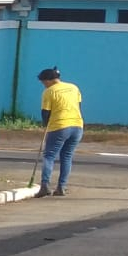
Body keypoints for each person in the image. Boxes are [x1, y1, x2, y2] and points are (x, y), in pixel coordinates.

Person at [36, 66, 84, 198]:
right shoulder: (74, 87)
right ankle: (61, 187)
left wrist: (46, 126)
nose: (43, 85)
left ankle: (45, 186)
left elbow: (45, 112)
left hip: (60, 126)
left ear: (49, 80)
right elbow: (79, 106)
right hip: (77, 126)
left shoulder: (49, 92)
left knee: (49, 156)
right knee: (67, 156)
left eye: (43, 82)